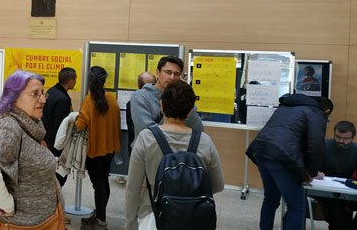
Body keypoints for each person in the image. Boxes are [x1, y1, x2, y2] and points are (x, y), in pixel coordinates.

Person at [124, 80, 224, 229]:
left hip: (153, 216)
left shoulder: (146, 138)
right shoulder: (204, 141)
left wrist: (130, 223)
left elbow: (133, 187)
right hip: (195, 219)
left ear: (162, 105)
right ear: (190, 111)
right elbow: (218, 184)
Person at [0, 70, 64, 228]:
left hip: (45, 220)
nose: (43, 99)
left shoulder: (31, 123)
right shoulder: (9, 126)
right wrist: (7, 205)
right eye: (35, 94)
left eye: (43, 93)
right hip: (21, 225)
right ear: (13, 98)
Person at [246, 94, 333, 230]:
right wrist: (312, 172)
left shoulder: (287, 107)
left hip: (260, 150)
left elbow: (294, 140)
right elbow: (315, 146)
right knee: (297, 206)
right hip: (280, 156)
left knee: (271, 198)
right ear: (326, 111)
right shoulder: (317, 113)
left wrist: (306, 170)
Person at [75, 66, 121, 230]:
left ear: (89, 80)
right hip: (109, 149)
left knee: (98, 185)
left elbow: (80, 125)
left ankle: (101, 221)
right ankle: (100, 216)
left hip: (94, 150)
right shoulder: (112, 99)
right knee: (104, 182)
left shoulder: (89, 100)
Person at [129, 56, 203, 136]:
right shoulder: (140, 96)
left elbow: (198, 129)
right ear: (158, 72)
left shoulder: (182, 97)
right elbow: (146, 130)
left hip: (178, 148)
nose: (172, 77)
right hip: (148, 147)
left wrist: (185, 93)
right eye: (168, 72)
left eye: (176, 74)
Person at [315, 121, 357, 230]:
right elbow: (312, 169)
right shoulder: (324, 145)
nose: (341, 141)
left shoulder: (355, 150)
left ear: (353, 137)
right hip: (325, 191)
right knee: (336, 207)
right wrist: (315, 172)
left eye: (346, 138)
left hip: (347, 191)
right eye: (338, 137)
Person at [42, 67, 77, 187]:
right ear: (71, 81)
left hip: (46, 140)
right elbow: (60, 127)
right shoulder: (62, 99)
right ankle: (55, 203)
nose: (76, 81)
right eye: (75, 79)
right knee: (59, 178)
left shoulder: (51, 91)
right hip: (55, 145)